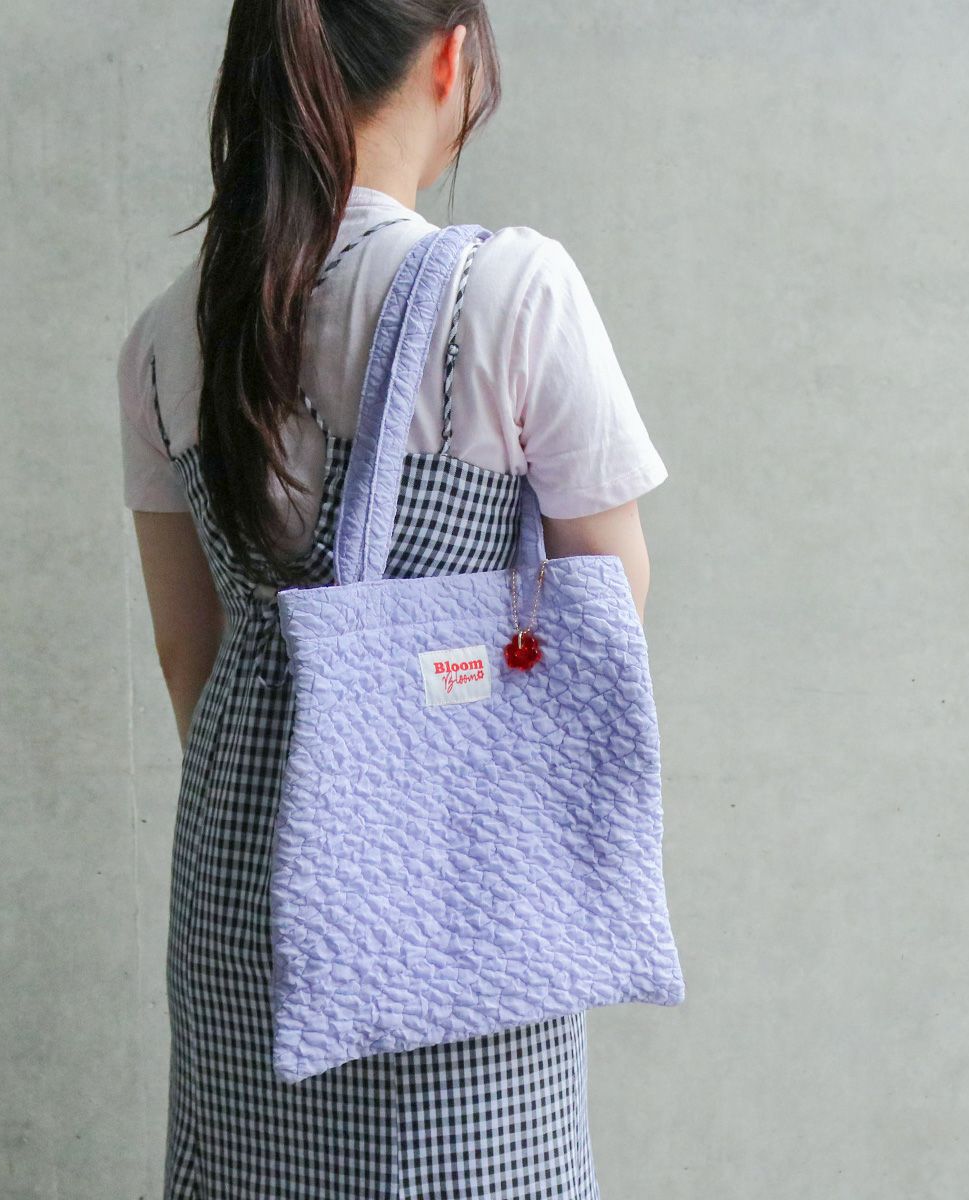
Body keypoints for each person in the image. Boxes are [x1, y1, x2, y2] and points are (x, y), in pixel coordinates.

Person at [116, 2, 668, 1196]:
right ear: (452, 54)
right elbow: (606, 606)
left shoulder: (168, 334)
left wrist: (315, 800)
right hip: (457, 894)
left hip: (245, 887)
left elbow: (185, 654)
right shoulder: (513, 291)